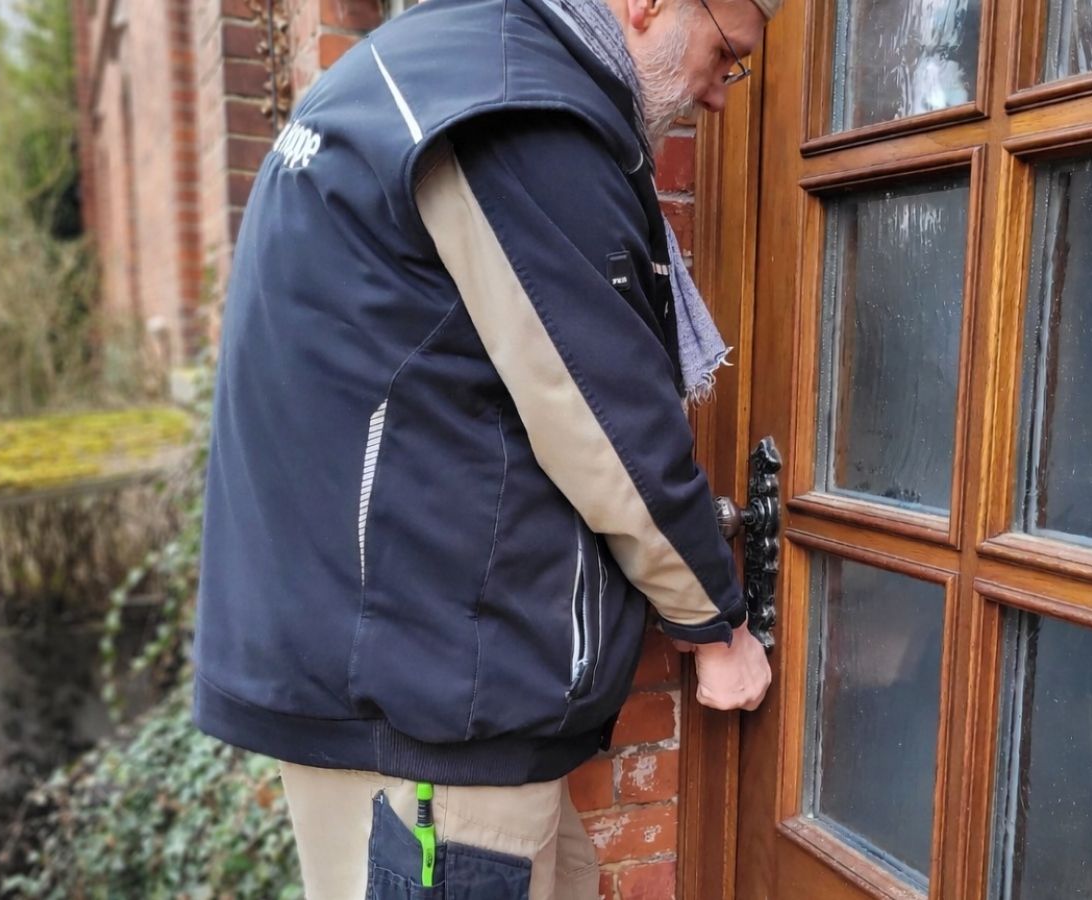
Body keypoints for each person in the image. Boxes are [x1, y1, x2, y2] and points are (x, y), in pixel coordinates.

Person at [190, 0, 779, 893]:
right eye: (725, 52)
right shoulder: (519, 112)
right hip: (429, 718)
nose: (721, 93)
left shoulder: (440, 67)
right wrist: (717, 624)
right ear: (649, 4)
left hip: (397, 678)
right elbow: (602, 413)